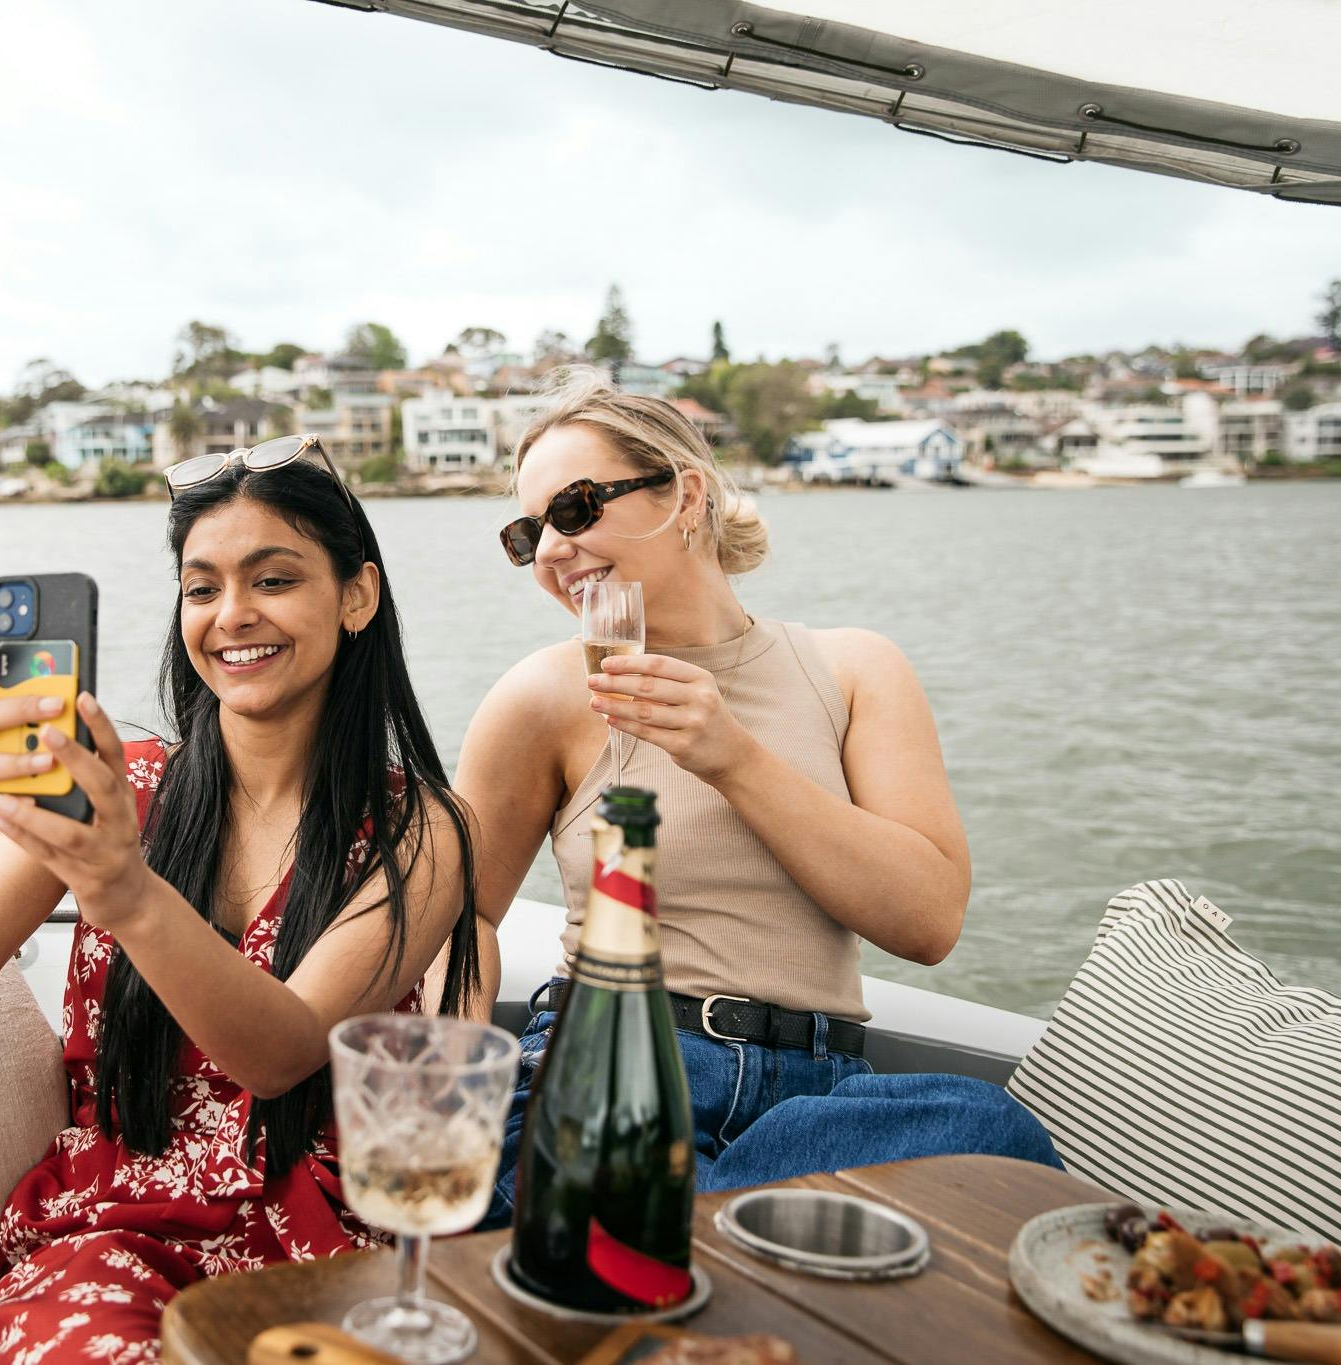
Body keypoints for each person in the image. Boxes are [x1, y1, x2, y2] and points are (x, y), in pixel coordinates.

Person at [0, 437, 480, 1364]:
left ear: (356, 595)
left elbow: (280, 1052)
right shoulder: (124, 784)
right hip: (114, 1237)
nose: (232, 615)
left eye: (273, 579)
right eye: (202, 588)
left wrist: (124, 888)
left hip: (324, 1243)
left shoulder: (420, 830)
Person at [453, 367, 1058, 1225]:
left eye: (577, 507)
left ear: (685, 493)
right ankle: (734, 1234)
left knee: (988, 1128)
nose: (551, 548)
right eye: (529, 531)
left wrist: (732, 756)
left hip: (819, 1097)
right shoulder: (543, 697)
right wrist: (453, 1080)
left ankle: (701, 1231)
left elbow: (928, 923)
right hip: (614, 1061)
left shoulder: (853, 670)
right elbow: (461, 918)